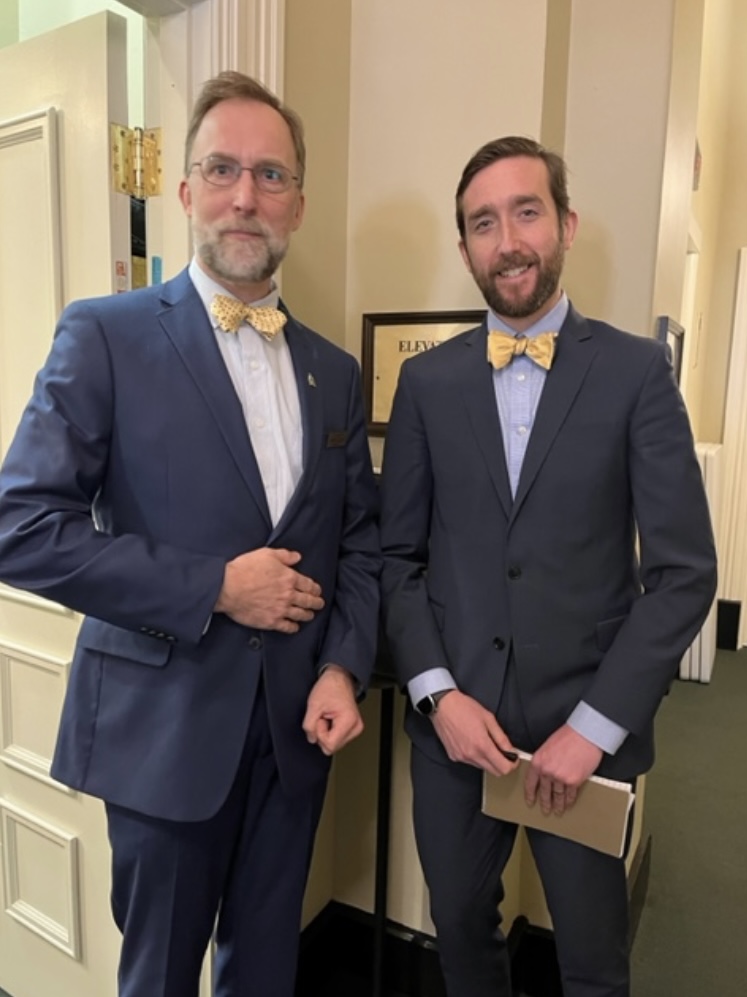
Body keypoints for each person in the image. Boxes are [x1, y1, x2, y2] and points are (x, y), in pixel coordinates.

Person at [0, 71, 380, 997]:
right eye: (222, 169)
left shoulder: (334, 371)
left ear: (298, 202)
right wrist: (213, 585)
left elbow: (360, 541)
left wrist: (342, 665)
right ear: (183, 190)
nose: (245, 195)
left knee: (266, 972)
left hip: (296, 733)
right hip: (162, 736)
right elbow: (21, 524)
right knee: (160, 978)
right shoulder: (104, 334)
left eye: (270, 175)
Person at [379, 135, 717, 997]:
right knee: (459, 928)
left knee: (593, 959)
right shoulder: (426, 384)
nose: (507, 241)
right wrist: (437, 694)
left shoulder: (637, 374)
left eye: (525, 212)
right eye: (482, 223)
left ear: (565, 224)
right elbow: (397, 558)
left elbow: (682, 573)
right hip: (457, 731)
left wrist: (592, 729)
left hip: (585, 730)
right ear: (465, 248)